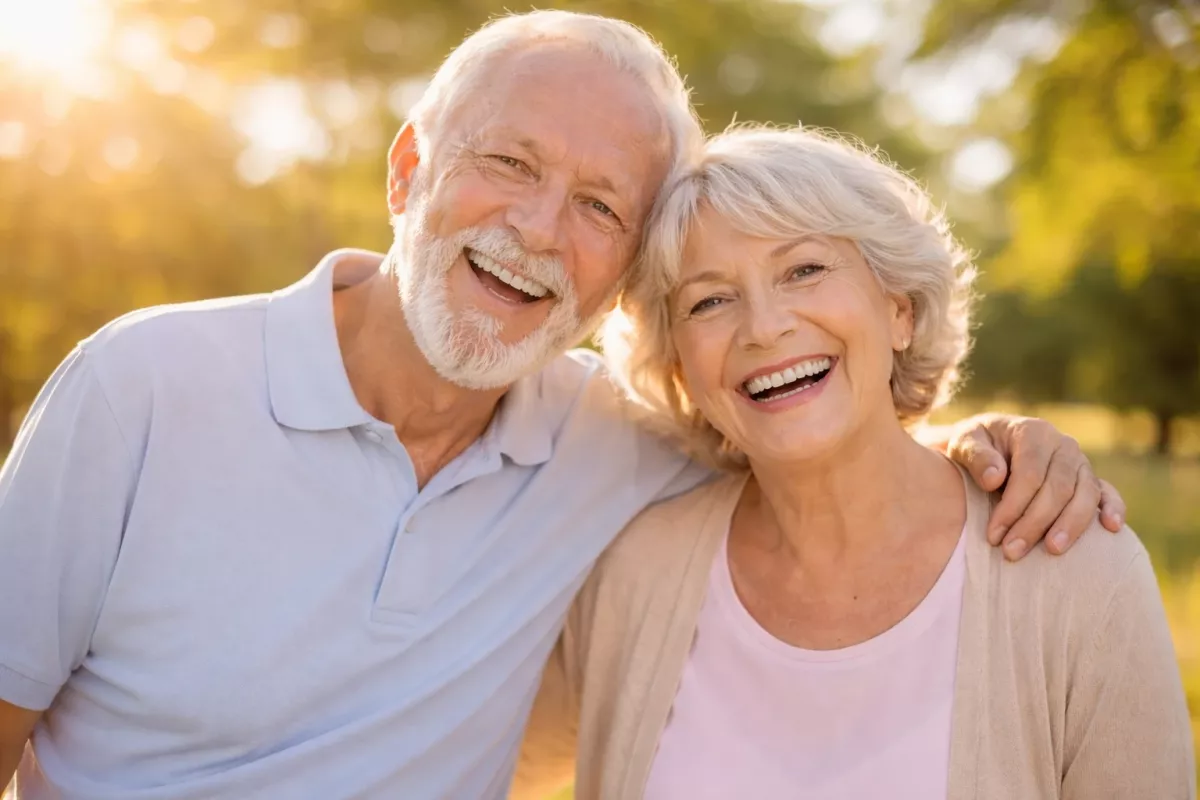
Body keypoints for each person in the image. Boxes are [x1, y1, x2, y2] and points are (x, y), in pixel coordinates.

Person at [0, 12, 1125, 800]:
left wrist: (990, 448)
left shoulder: (622, 443)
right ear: (408, 169)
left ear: (624, 276)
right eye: (509, 162)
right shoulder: (140, 388)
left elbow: (810, 423)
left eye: (599, 206)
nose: (538, 230)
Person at [514, 126, 1193, 800]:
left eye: (804, 270)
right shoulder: (633, 574)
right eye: (710, 300)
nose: (765, 326)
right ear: (680, 371)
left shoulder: (1076, 573)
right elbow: (481, 761)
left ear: (899, 310)